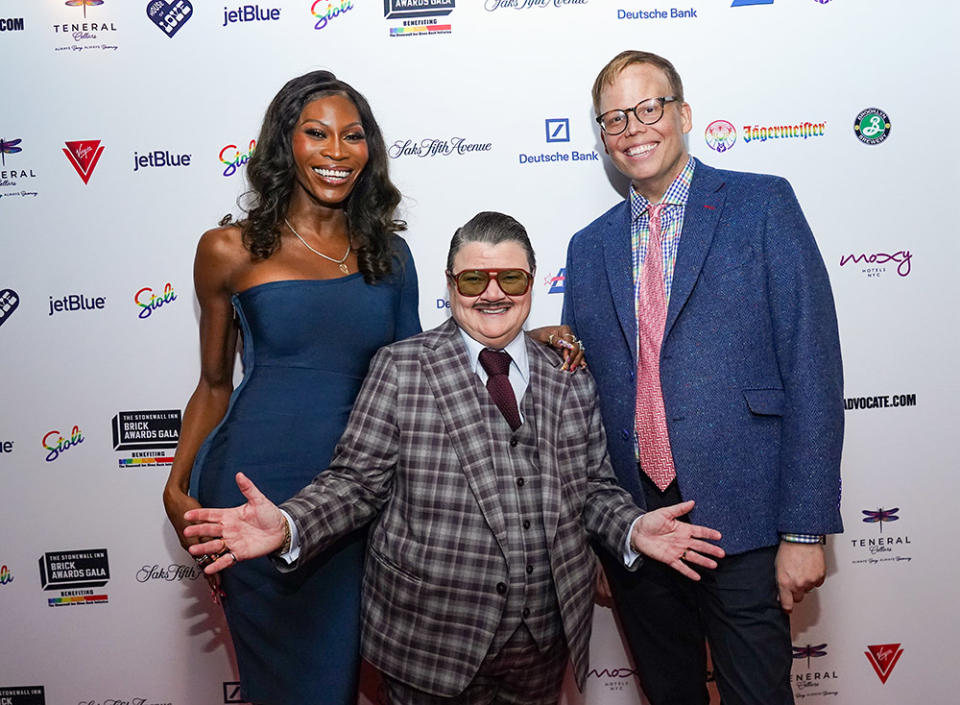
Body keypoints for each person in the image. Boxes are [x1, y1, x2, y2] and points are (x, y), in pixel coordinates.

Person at [183, 211, 725, 705]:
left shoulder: (569, 376)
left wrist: (632, 530)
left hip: (542, 647)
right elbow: (356, 484)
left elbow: (593, 490)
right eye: (474, 279)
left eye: (510, 278)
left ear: (531, 284)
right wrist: (288, 522)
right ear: (451, 286)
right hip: (430, 645)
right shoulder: (401, 367)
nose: (493, 293)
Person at [561, 51, 844, 705]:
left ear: (683, 114)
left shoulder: (761, 205)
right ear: (602, 136)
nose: (633, 128)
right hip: (639, 529)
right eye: (614, 118)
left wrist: (804, 529)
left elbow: (812, 367)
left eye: (648, 107)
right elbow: (584, 402)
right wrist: (604, 534)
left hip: (745, 522)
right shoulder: (588, 246)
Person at [161, 70, 422, 705]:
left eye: (353, 136)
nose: (336, 152)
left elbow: (422, 371)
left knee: (355, 678)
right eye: (317, 133)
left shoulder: (390, 254)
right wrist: (175, 482)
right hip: (254, 491)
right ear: (286, 141)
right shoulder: (228, 250)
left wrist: (523, 336)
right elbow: (215, 385)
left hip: (361, 497)